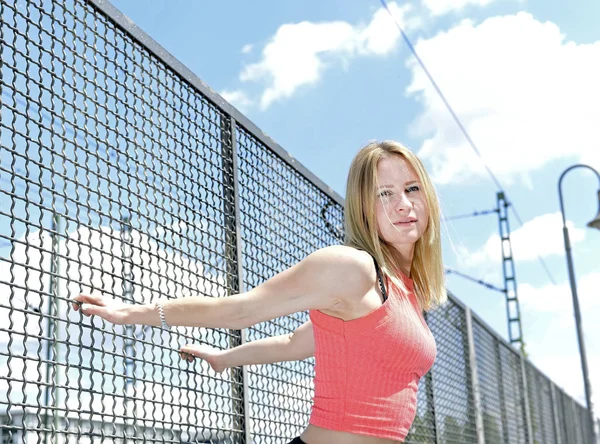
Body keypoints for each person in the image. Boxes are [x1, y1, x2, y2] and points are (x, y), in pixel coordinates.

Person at [72, 140, 446, 444]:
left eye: (412, 188)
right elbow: (240, 310)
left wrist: (225, 357)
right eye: (385, 194)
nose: (403, 204)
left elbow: (292, 343)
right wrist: (131, 313)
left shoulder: (407, 293)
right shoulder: (353, 270)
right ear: (365, 208)